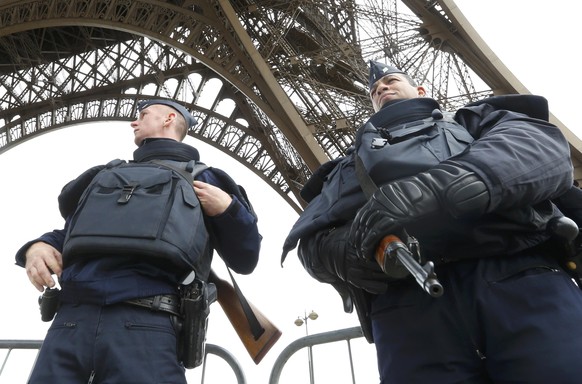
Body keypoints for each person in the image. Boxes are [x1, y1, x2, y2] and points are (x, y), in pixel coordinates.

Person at [282, 61, 582, 383]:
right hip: (408, 307)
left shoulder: (473, 120)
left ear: (421, 90)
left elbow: (541, 151)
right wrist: (352, 251)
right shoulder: (343, 170)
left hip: (519, 276)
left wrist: (437, 190)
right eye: (374, 90)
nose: (381, 87)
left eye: (391, 80)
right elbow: (311, 243)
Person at [15, 99, 262, 384]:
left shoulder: (204, 180)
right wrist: (39, 246)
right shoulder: (107, 175)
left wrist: (228, 209)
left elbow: (245, 258)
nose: (134, 121)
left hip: (128, 325)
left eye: (143, 115)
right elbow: (72, 235)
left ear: (169, 119)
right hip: (87, 321)